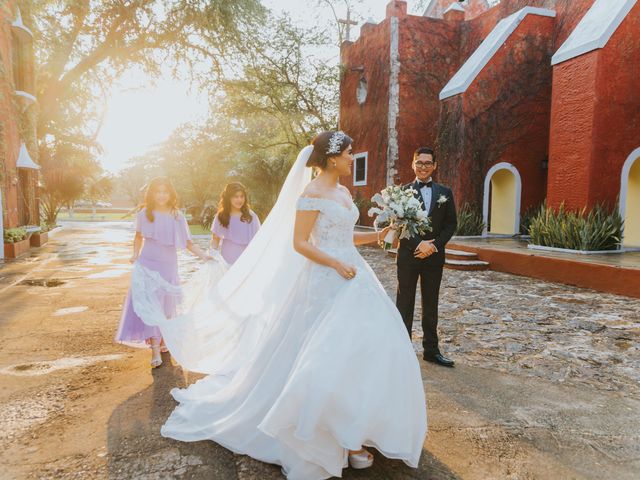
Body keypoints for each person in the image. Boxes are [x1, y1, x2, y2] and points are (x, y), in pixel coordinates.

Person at [137, 132, 427, 479]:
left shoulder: (344, 192)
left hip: (354, 275)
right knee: (322, 354)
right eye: (350, 154)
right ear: (333, 158)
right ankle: (335, 437)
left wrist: (379, 235)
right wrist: (334, 264)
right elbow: (300, 242)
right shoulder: (311, 193)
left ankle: (356, 427)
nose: (353, 159)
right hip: (326, 279)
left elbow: (345, 236)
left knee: (362, 349)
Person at [114, 177, 211, 368]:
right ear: (152, 194)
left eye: (165, 192)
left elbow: (188, 242)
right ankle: (155, 348)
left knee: (167, 307)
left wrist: (204, 256)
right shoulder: (144, 214)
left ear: (170, 194)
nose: (161, 195)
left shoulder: (177, 215)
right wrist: (134, 254)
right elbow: (138, 237)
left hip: (168, 265)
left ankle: (165, 340)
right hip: (147, 264)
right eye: (158, 191)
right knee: (151, 306)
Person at [396, 147, 458, 367]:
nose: (423, 167)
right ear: (413, 165)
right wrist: (419, 244)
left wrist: (434, 246)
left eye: (427, 163)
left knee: (431, 303)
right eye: (419, 163)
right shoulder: (402, 192)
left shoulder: (445, 192)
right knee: (405, 302)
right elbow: (399, 225)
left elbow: (451, 224)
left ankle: (431, 350)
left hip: (433, 256)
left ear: (434, 165)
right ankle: (402, 350)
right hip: (408, 255)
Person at [210, 182, 260, 265]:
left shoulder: (251, 216)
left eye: (242, 196)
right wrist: (212, 254)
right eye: (236, 197)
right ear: (228, 198)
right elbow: (215, 240)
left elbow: (258, 240)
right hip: (227, 259)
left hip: (247, 259)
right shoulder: (221, 216)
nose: (239, 200)